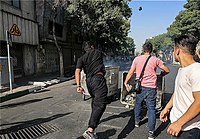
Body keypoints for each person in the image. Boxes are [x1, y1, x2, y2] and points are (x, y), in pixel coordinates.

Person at [124, 42, 170, 139]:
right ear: (151, 50)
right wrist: (162, 74)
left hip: (140, 87)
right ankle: (151, 133)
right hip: (151, 88)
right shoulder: (155, 59)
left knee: (137, 104)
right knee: (151, 109)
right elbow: (167, 70)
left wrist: (125, 82)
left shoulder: (137, 59)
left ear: (142, 49)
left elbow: (131, 71)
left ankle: (136, 122)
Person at [160, 35, 200, 139]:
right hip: (178, 127)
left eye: (174, 50)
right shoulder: (182, 69)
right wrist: (167, 107)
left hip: (189, 130)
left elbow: (199, 102)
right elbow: (178, 91)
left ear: (177, 51)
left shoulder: (196, 70)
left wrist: (179, 123)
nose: (174, 53)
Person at [75, 41, 108, 139]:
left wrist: (78, 85)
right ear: (92, 47)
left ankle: (94, 122)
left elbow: (77, 71)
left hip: (89, 82)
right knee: (100, 103)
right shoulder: (97, 52)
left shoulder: (81, 58)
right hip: (98, 80)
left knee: (95, 101)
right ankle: (90, 129)